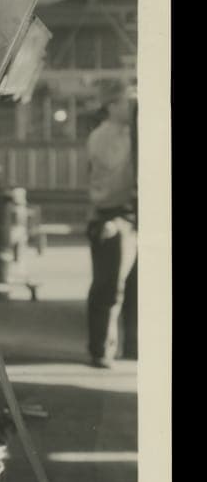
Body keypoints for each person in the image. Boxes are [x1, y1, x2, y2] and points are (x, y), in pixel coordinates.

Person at [85, 79, 138, 368]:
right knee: (109, 287)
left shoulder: (127, 133)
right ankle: (100, 349)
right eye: (127, 102)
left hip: (129, 216)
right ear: (113, 105)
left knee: (130, 288)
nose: (132, 107)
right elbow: (118, 177)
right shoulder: (104, 137)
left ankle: (129, 346)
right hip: (110, 216)